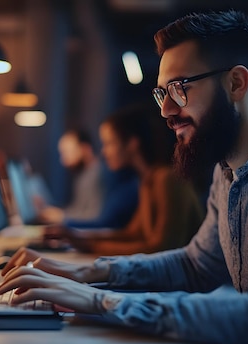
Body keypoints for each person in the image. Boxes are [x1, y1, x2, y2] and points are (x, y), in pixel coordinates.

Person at [0, 10, 248, 344]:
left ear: (236, 84)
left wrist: (101, 301)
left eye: (180, 88)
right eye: (162, 92)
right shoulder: (227, 169)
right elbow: (195, 266)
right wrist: (88, 272)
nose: (165, 110)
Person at [45, 103, 204, 255]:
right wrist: (77, 238)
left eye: (109, 143)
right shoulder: (148, 180)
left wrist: (88, 244)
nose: (104, 152)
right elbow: (132, 233)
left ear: (132, 144)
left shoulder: (166, 179)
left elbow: (160, 248)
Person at [38, 128, 106, 223]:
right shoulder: (84, 174)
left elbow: (95, 215)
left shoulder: (98, 174)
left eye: (67, 152)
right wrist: (56, 212)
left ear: (85, 149)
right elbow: (79, 210)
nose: (63, 161)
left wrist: (62, 217)